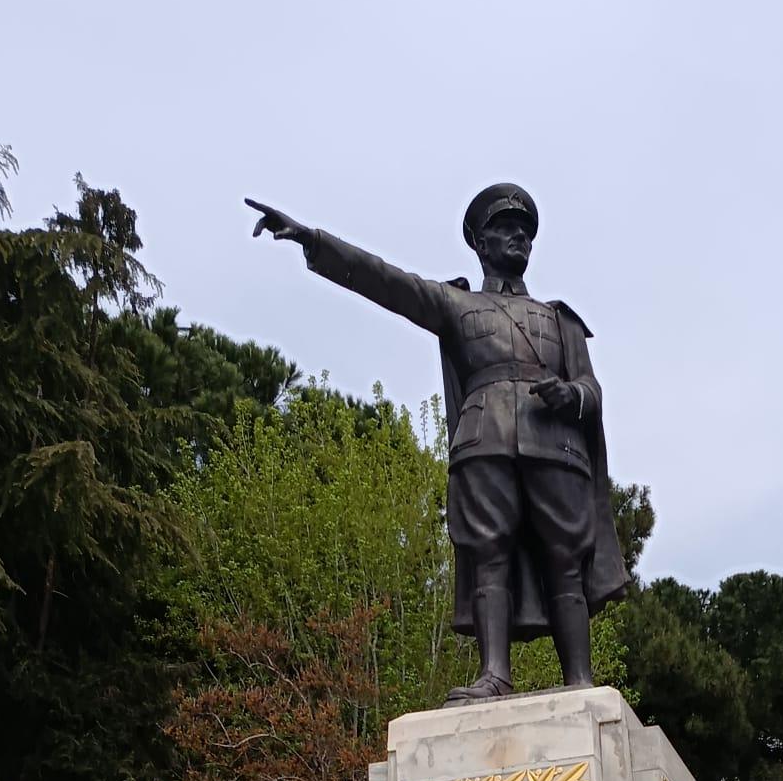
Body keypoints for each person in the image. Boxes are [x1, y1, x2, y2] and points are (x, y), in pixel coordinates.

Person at [245, 185, 627, 705]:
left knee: (565, 560)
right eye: (506, 227)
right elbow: (387, 282)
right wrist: (313, 240)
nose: (519, 236)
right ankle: (494, 674)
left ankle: (580, 683)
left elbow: (592, 390)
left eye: (526, 230)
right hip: (483, 440)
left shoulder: (560, 319)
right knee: (488, 553)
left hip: (554, 444)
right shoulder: (456, 303)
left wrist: (571, 395)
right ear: (480, 241)